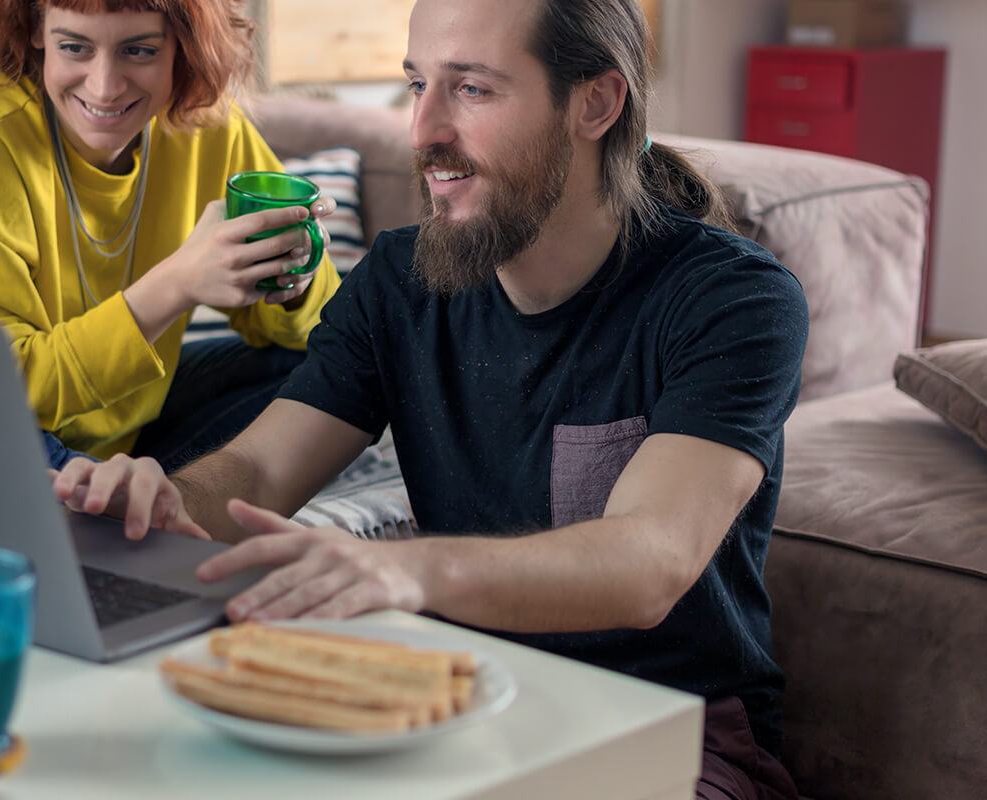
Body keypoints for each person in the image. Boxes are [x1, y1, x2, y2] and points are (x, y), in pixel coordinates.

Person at [50, 0, 807, 797]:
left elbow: (650, 562)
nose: (423, 131)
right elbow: (258, 469)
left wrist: (407, 572)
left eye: (472, 89)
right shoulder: (399, 281)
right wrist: (159, 503)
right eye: (417, 85)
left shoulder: (732, 301)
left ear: (596, 103)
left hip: (676, 735)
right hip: (456, 702)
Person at [0, 0, 341, 475]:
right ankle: (128, 504)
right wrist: (174, 285)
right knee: (7, 447)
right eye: (75, 48)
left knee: (332, 362)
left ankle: (146, 497)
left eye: (139, 51)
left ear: (182, 46)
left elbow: (324, 325)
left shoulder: (206, 126)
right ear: (37, 31)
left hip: (116, 431)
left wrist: (291, 277)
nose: (105, 88)